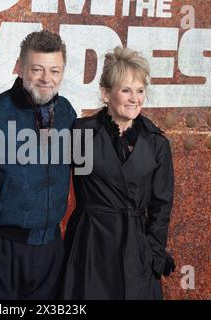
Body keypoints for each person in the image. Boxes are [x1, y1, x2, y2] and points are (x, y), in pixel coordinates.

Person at [0, 30, 77, 299]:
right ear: (19, 68)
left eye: (54, 70)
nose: (46, 79)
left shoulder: (66, 113)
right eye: (37, 69)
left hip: (50, 247)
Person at [61, 47, 175, 300]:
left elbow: (161, 205)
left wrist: (153, 252)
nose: (134, 98)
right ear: (105, 93)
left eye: (140, 90)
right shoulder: (81, 133)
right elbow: (47, 173)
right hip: (90, 243)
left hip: (135, 247)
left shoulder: (156, 143)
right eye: (126, 90)